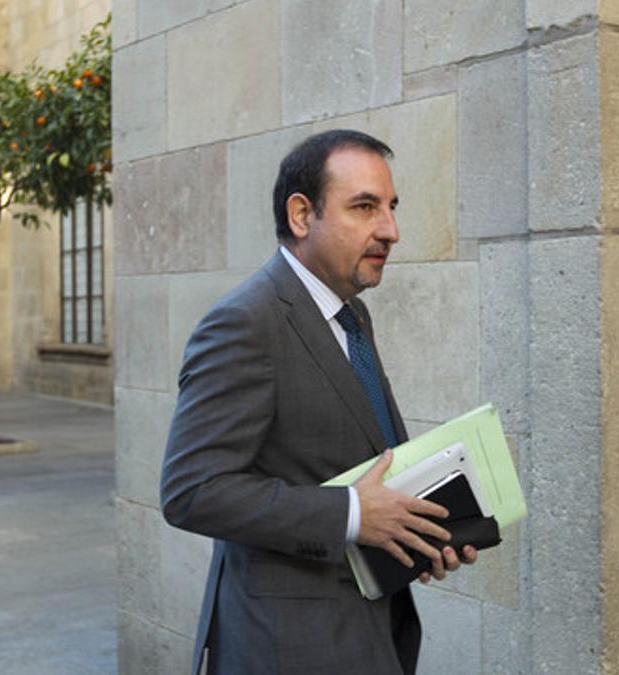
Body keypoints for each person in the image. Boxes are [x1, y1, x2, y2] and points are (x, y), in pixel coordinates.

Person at [160, 129, 477, 675]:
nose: (391, 230)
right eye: (364, 207)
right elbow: (191, 490)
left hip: (372, 625)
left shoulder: (352, 315)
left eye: (391, 207)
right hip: (290, 646)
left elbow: (358, 460)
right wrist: (354, 515)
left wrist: (415, 532)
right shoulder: (244, 322)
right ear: (303, 215)